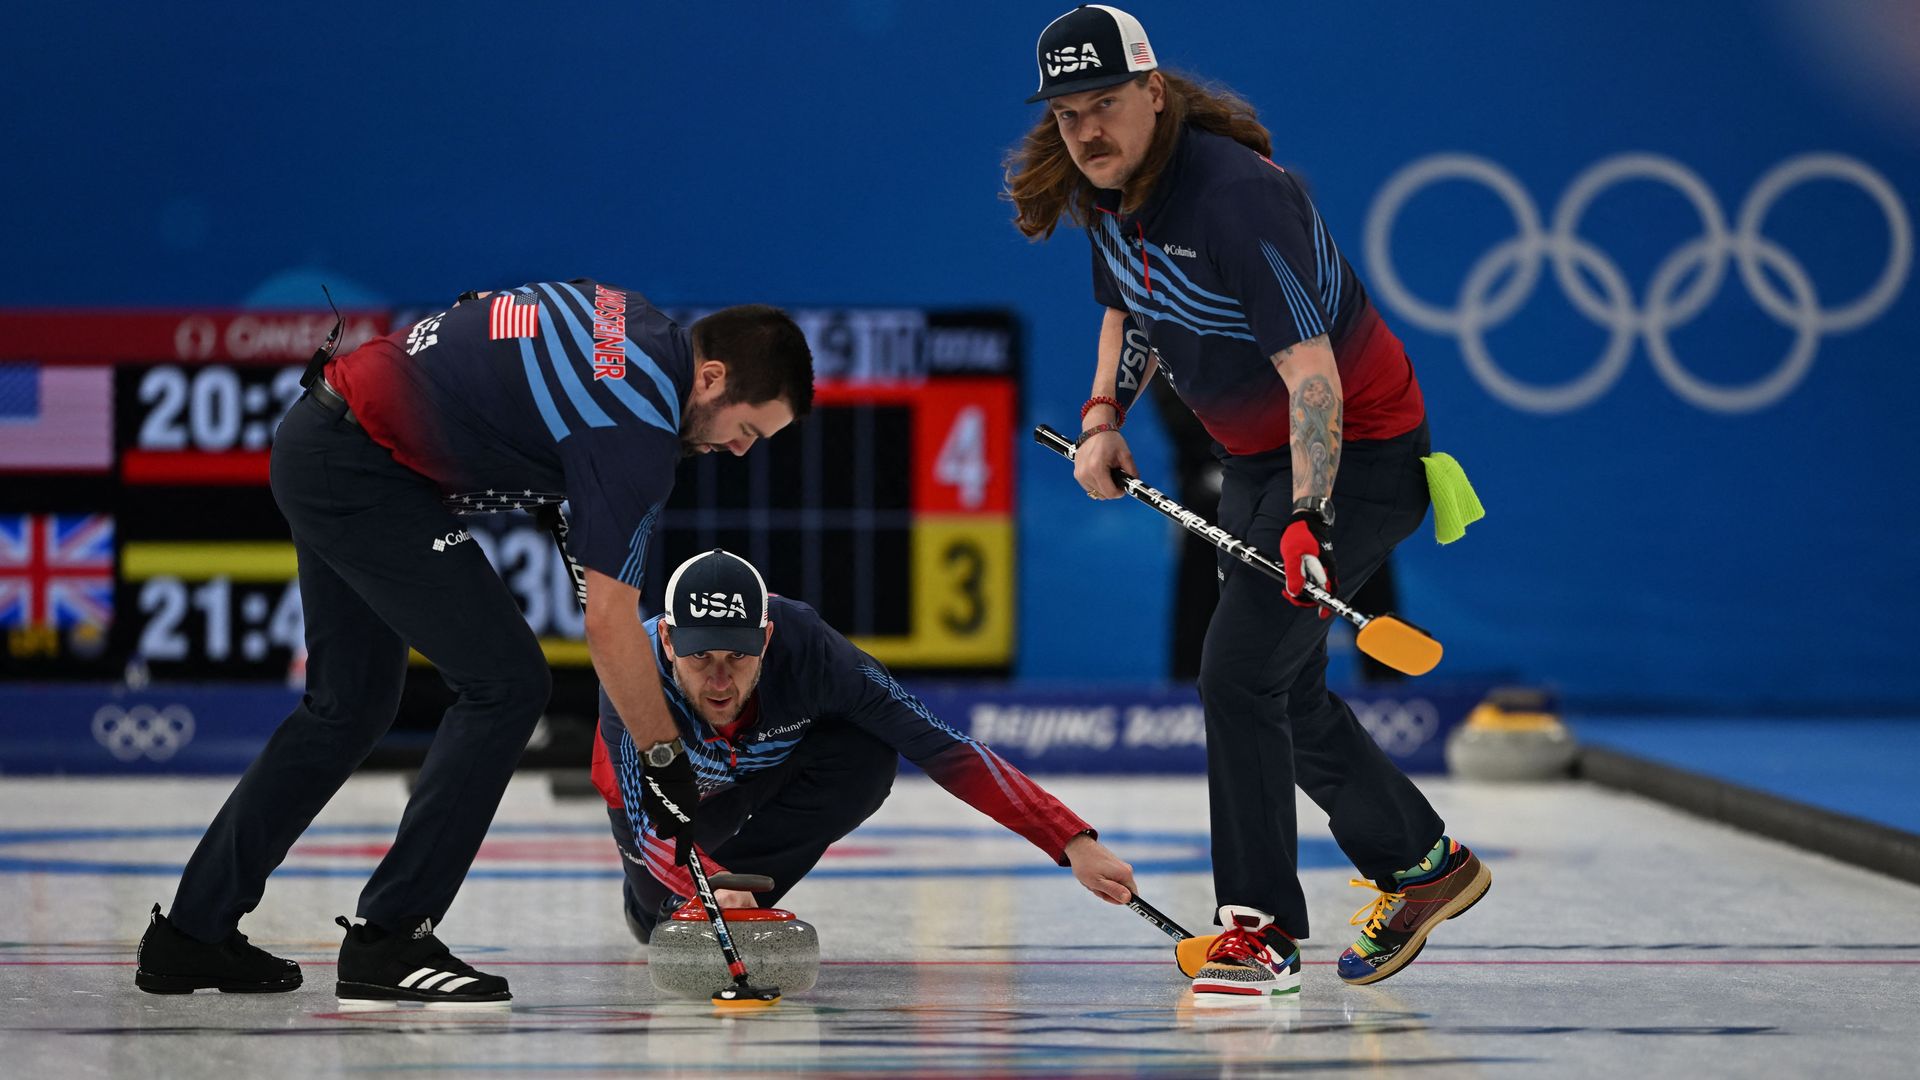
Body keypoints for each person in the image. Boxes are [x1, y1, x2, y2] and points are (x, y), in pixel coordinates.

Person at [135, 281, 813, 1004]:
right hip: (365, 468)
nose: (739, 451)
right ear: (709, 378)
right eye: (749, 429)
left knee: (350, 707)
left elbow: (499, 338)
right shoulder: (638, 425)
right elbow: (611, 621)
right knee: (508, 684)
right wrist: (664, 758)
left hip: (323, 435)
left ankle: (191, 936)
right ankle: (391, 936)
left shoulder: (630, 317)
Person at [1004, 6, 1491, 998]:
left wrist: (1311, 517)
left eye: (1104, 104)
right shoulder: (1107, 194)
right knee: (1284, 682)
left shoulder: (1237, 200)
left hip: (1360, 452)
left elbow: (1314, 374)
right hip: (1259, 462)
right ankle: (1423, 865)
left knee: (1235, 676)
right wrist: (1103, 417)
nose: (1086, 129)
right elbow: (1126, 307)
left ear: (1153, 95)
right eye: (1066, 114)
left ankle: (1260, 930)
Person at [590, 549, 1140, 939]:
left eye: (737, 657)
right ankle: (678, 903)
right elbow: (649, 826)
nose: (719, 682)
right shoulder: (629, 677)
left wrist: (1070, 840)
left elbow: (944, 749)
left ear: (768, 638)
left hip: (768, 769)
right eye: (700, 658)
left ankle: (739, 895)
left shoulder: (817, 654)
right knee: (655, 921)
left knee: (867, 755)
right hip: (670, 801)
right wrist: (707, 883)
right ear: (666, 640)